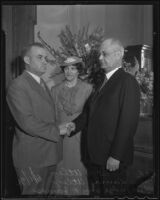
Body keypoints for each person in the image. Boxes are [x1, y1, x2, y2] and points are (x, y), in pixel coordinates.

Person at [67, 38, 140, 197]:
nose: (100, 58)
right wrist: (74, 125)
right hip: (96, 155)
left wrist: (116, 155)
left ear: (118, 54)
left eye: (104, 54)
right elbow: (91, 112)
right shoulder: (103, 80)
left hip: (112, 158)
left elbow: (128, 123)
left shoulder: (128, 81)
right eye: (100, 54)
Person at [6, 42, 68, 195]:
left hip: (49, 154)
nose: (45, 61)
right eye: (40, 57)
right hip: (32, 159)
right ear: (27, 60)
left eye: (46, 58)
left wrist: (63, 125)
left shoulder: (41, 83)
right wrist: (56, 130)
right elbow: (26, 122)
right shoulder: (18, 85)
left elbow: (47, 115)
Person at [51, 56, 92, 196]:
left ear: (78, 71)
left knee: (78, 167)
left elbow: (89, 115)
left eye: (73, 68)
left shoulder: (88, 89)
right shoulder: (55, 89)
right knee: (61, 165)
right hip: (60, 135)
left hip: (79, 136)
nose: (69, 72)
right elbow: (53, 114)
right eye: (66, 68)